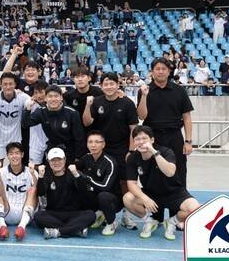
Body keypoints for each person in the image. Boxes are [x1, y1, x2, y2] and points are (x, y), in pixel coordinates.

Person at [82, 72, 138, 229]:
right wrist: (87, 105)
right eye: (105, 84)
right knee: (101, 181)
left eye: (112, 83)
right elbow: (87, 122)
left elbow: (133, 129)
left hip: (123, 149)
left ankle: (126, 215)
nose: (109, 87)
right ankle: (102, 212)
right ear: (101, 86)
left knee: (124, 182)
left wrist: (131, 151)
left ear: (118, 85)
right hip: (102, 149)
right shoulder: (96, 102)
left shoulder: (127, 103)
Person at [123, 126, 200, 240]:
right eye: (137, 139)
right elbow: (131, 184)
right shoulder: (133, 158)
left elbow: (170, 172)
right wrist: (145, 198)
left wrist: (154, 152)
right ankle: (149, 222)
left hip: (173, 192)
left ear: (152, 140)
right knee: (127, 199)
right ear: (134, 142)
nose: (141, 142)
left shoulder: (166, 152)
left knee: (195, 208)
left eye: (144, 138)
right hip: (151, 193)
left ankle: (171, 222)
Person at [137, 58, 194, 187]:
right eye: (157, 69)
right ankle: (153, 198)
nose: (161, 72)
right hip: (152, 137)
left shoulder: (179, 90)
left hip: (174, 136)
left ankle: (180, 197)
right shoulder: (144, 90)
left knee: (179, 168)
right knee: (153, 169)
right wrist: (144, 96)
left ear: (169, 72)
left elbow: (187, 117)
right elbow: (141, 116)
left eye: (164, 69)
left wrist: (188, 141)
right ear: (152, 72)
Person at [34, 147, 95, 239]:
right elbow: (40, 193)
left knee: (91, 215)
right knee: (38, 216)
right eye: (53, 160)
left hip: (74, 213)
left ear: (65, 160)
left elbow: (84, 192)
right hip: (54, 214)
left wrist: (77, 175)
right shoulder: (46, 175)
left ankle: (58, 232)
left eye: (59, 159)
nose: (56, 163)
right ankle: (75, 230)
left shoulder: (73, 173)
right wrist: (40, 177)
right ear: (48, 162)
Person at [22, 84, 86, 166]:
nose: (53, 99)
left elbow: (79, 138)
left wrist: (78, 157)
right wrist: (27, 110)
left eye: (56, 96)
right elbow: (25, 124)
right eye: (50, 96)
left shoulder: (72, 113)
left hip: (70, 150)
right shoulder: (41, 111)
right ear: (45, 98)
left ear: (61, 97)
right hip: (52, 148)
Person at [75, 132, 121, 236]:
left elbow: (105, 187)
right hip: (95, 195)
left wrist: (86, 178)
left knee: (103, 196)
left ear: (103, 144)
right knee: (77, 187)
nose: (93, 145)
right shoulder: (86, 157)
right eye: (90, 142)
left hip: (112, 200)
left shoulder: (110, 162)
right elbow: (74, 168)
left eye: (97, 142)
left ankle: (112, 222)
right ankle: (100, 213)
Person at [0, 142, 38, 241]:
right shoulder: (1, 171)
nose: (14, 156)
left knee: (32, 191)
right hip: (6, 211)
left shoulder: (30, 171)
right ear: (7, 156)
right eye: (11, 153)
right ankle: (2, 226)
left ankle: (21, 227)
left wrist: (33, 174)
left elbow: (36, 189)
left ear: (22, 154)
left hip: (25, 213)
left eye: (17, 153)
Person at [0, 72, 30, 164]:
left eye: (11, 84)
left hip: (15, 139)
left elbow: (30, 102)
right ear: (1, 85)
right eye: (5, 84)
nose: (8, 87)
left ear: (15, 84)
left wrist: (30, 104)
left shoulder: (22, 97)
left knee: (16, 165)